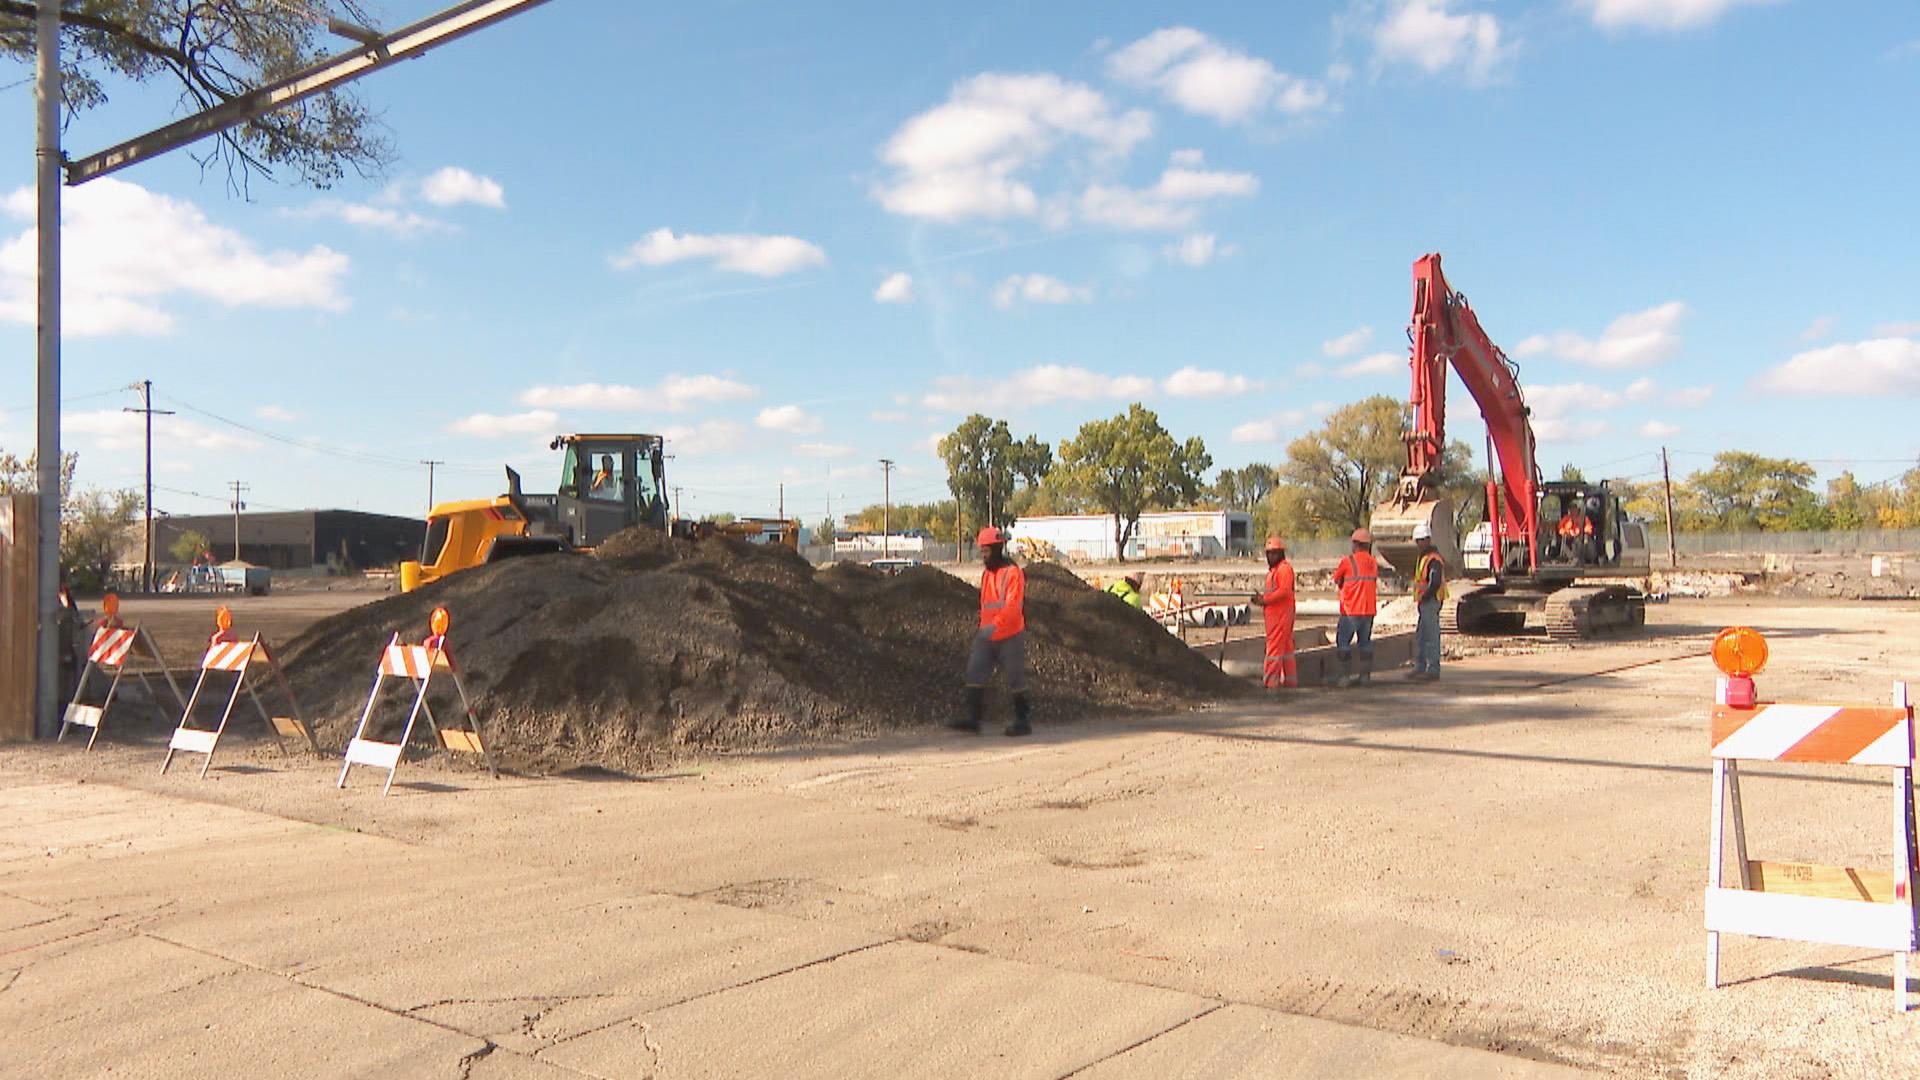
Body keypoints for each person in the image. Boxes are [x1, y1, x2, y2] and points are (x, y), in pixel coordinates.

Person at [951, 526, 1031, 737]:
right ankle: (973, 720)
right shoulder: (987, 574)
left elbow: (1013, 606)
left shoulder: (1013, 573)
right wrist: (983, 629)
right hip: (986, 636)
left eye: (986, 551)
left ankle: (1023, 721)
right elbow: (986, 604)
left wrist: (995, 625)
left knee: (1015, 678)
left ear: (996, 549)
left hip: (1010, 635)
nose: (983, 555)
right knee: (975, 672)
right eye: (982, 551)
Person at [1332, 527, 1382, 687]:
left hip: (1351, 610)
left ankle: (1344, 678)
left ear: (1355, 544)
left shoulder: (1348, 562)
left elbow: (1336, 578)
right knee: (1365, 643)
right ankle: (1365, 677)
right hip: (1368, 611)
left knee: (1343, 642)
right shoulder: (1373, 563)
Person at [1249, 535, 1296, 690]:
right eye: (1268, 553)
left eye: (1274, 553)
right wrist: (1262, 600)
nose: (1270, 556)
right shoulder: (1274, 572)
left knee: (1273, 651)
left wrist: (1264, 600)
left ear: (1281, 553)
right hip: (1276, 618)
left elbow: (1284, 591)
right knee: (1287, 650)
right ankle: (1290, 681)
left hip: (1280, 619)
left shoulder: (1284, 569)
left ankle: (1270, 683)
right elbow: (1273, 595)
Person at [1409, 523, 1446, 681]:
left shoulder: (1433, 559)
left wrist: (1425, 596)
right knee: (1422, 636)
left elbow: (1435, 582)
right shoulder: (1424, 558)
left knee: (1431, 636)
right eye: (1417, 540)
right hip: (1425, 602)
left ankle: (1433, 669)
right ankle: (1421, 666)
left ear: (1428, 540)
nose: (1418, 544)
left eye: (1421, 540)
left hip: (1431, 601)